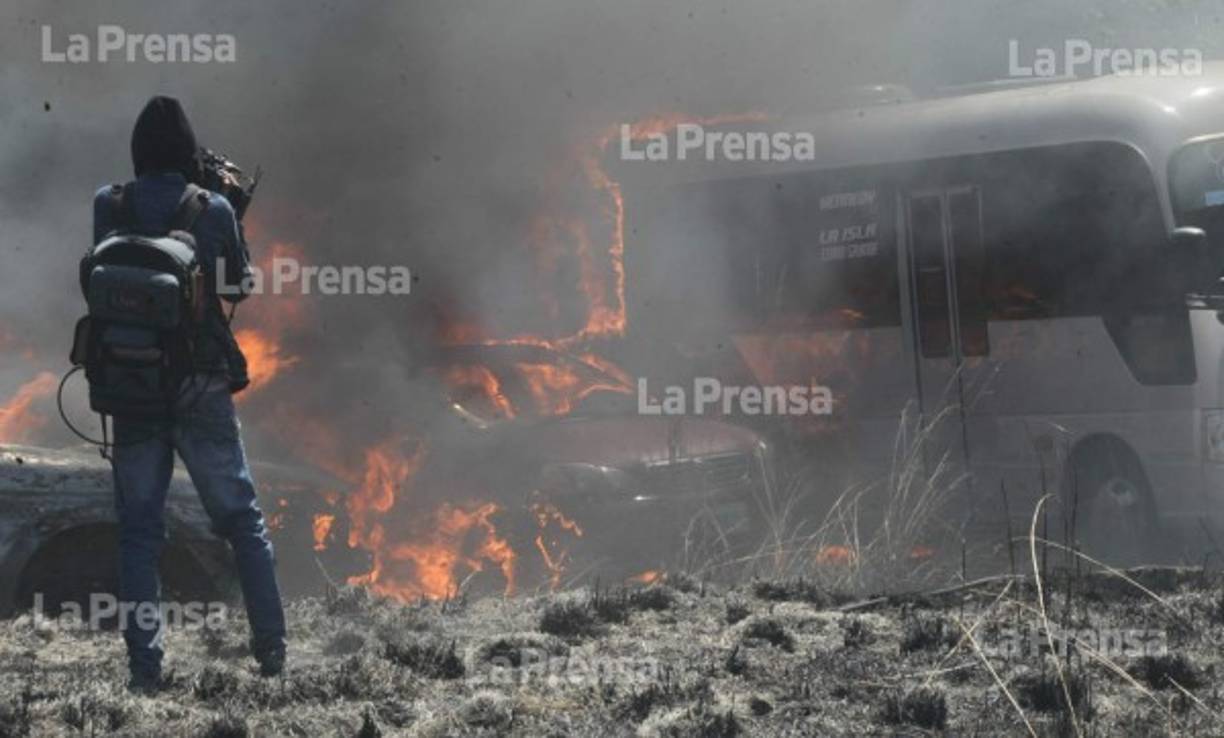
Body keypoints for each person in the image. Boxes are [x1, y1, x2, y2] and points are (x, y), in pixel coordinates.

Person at [90, 96, 286, 692]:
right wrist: (229, 216)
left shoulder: (109, 202)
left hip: (132, 384)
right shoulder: (213, 207)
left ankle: (144, 672)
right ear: (189, 152)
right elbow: (239, 288)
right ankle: (272, 653)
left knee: (140, 532)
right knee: (241, 520)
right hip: (199, 383)